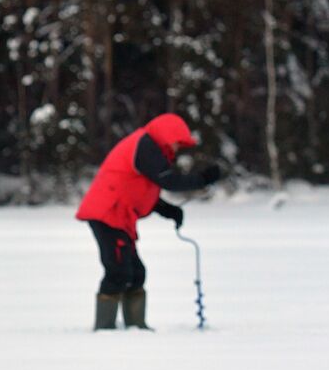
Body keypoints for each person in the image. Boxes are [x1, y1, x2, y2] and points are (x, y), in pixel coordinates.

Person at [75, 113, 221, 330]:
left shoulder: (148, 148)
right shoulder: (145, 146)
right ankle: (104, 330)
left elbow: (138, 189)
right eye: (176, 141)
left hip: (120, 217)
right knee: (118, 272)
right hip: (107, 214)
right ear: (166, 134)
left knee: (136, 274)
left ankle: (136, 327)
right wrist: (202, 180)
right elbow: (168, 180)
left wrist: (167, 210)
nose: (177, 147)